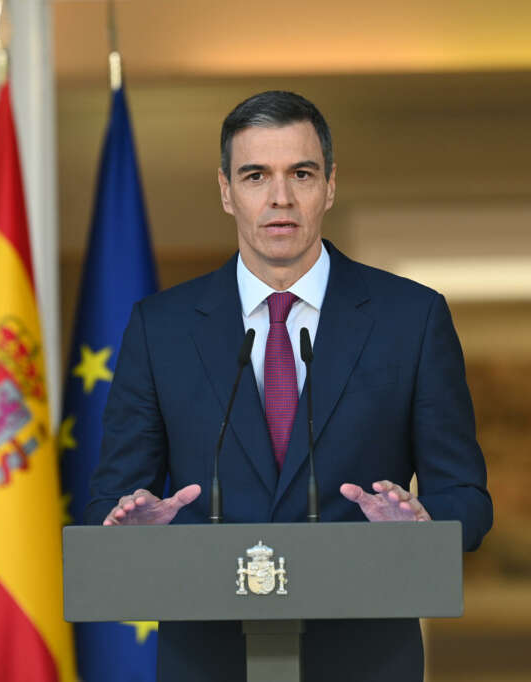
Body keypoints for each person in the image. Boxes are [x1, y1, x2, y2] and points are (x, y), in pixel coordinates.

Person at [85, 90, 492, 681]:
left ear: (329, 185)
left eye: (300, 173)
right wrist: (133, 526)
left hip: (366, 660)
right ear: (226, 190)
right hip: (209, 661)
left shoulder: (413, 318)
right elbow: (112, 498)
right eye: (256, 175)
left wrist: (425, 524)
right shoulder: (161, 328)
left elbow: (468, 499)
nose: (280, 197)